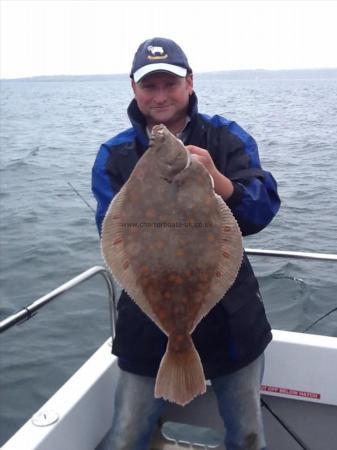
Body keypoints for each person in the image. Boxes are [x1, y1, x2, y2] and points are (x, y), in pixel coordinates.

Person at [92, 37, 280, 450]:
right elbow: (111, 226)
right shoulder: (115, 153)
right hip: (147, 317)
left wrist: (217, 182)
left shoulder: (226, 137)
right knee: (126, 433)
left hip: (233, 317)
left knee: (248, 434)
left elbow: (261, 210)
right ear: (134, 88)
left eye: (170, 83)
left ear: (189, 83)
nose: (160, 96)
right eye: (149, 85)